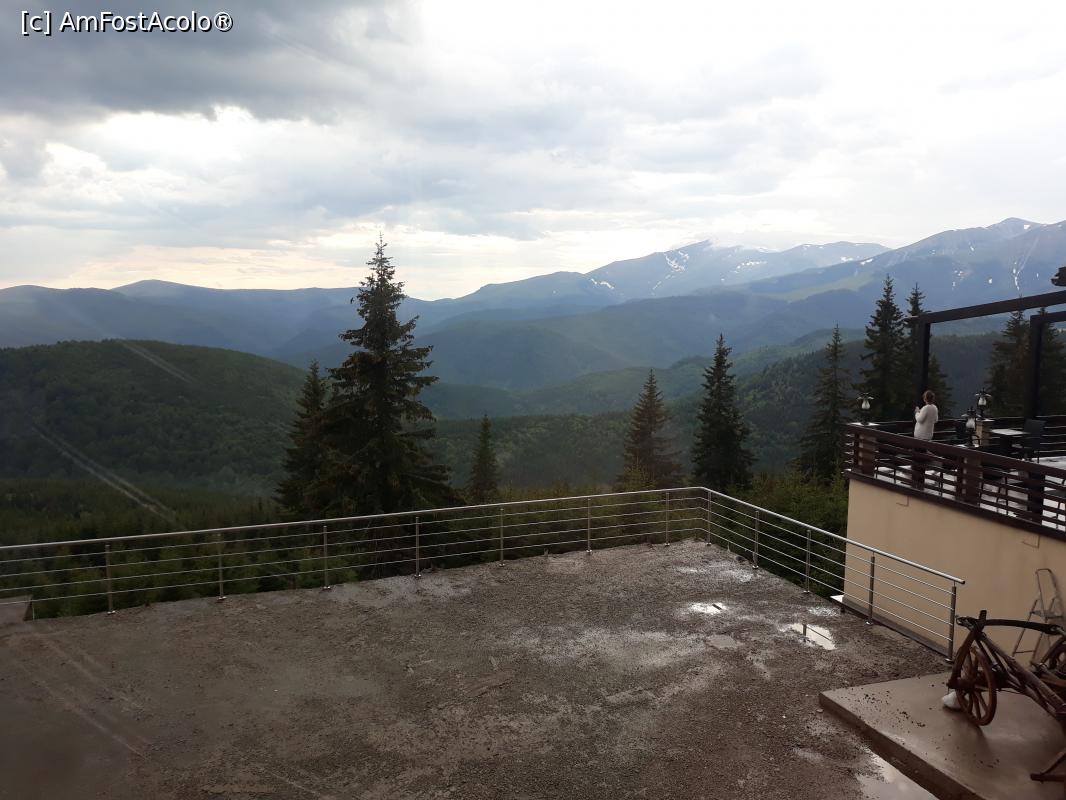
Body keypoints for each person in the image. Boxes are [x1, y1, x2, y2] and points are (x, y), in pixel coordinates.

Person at [911, 390, 938, 488]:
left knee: (918, 457)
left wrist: (917, 412)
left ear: (925, 398)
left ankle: (916, 479)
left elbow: (920, 419)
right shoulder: (934, 408)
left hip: (920, 435)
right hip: (928, 435)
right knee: (922, 456)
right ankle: (920, 479)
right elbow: (936, 420)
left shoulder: (926, 408)